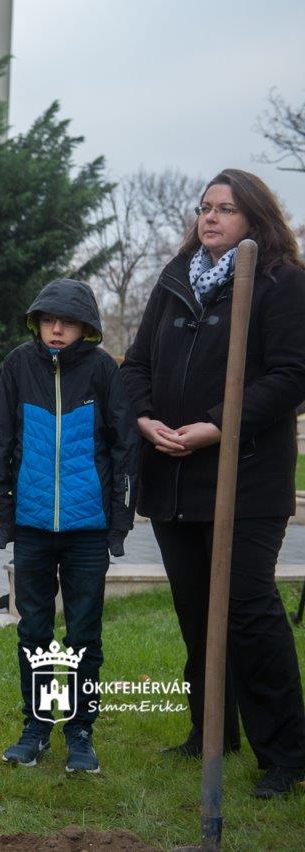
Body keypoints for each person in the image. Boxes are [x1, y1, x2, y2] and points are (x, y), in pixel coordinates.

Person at [120, 168, 305, 799]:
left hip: (245, 478)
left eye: (225, 209)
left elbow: (289, 377)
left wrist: (217, 426)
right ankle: (210, 731)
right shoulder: (175, 282)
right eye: (205, 208)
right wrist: (144, 418)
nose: (211, 218)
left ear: (254, 216)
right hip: (172, 477)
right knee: (197, 611)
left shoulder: (281, 282)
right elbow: (137, 363)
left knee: (249, 611)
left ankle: (285, 753)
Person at [0, 278, 137, 774]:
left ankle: (81, 731)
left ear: (84, 327)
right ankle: (38, 726)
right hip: (32, 529)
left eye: (67, 321)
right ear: (37, 322)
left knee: (84, 634)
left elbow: (125, 447)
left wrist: (118, 524)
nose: (56, 328)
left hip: (88, 531)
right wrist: (5, 514)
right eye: (49, 319)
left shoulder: (103, 371)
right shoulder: (18, 366)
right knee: (36, 634)